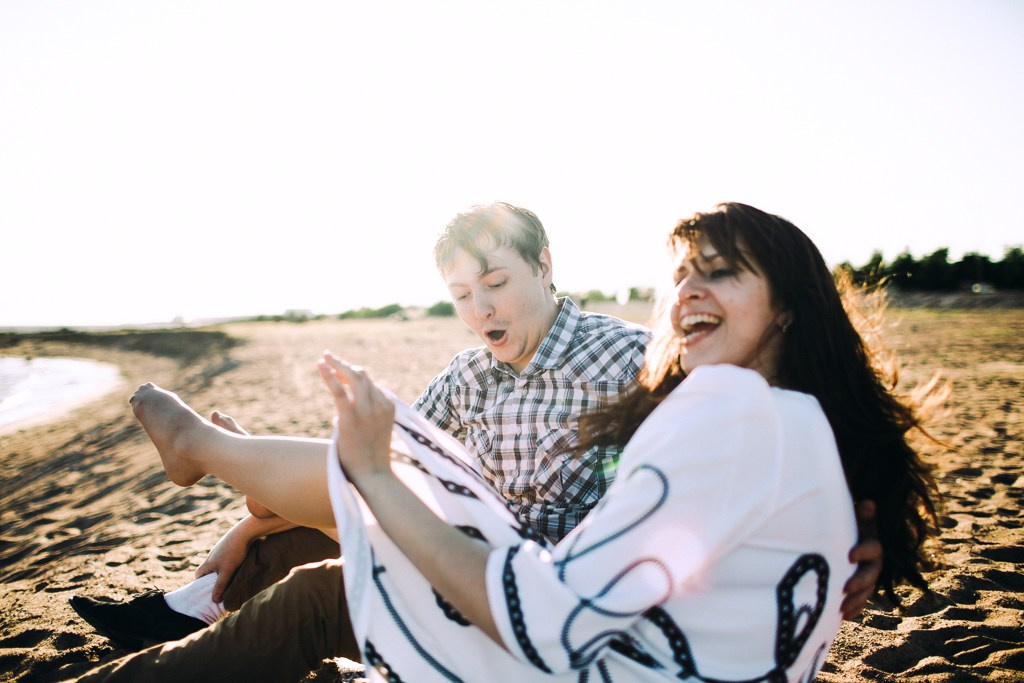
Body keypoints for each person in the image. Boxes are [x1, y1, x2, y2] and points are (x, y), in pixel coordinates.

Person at [71, 203, 930, 682]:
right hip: (518, 561)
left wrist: (865, 535)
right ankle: (193, 587)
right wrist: (258, 518)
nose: (482, 308)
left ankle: (202, 459)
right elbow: (411, 461)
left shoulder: (654, 373)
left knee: (329, 568)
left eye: (496, 283)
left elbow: (569, 605)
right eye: (462, 293)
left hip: (554, 583)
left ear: (544, 267)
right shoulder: (472, 375)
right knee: (307, 532)